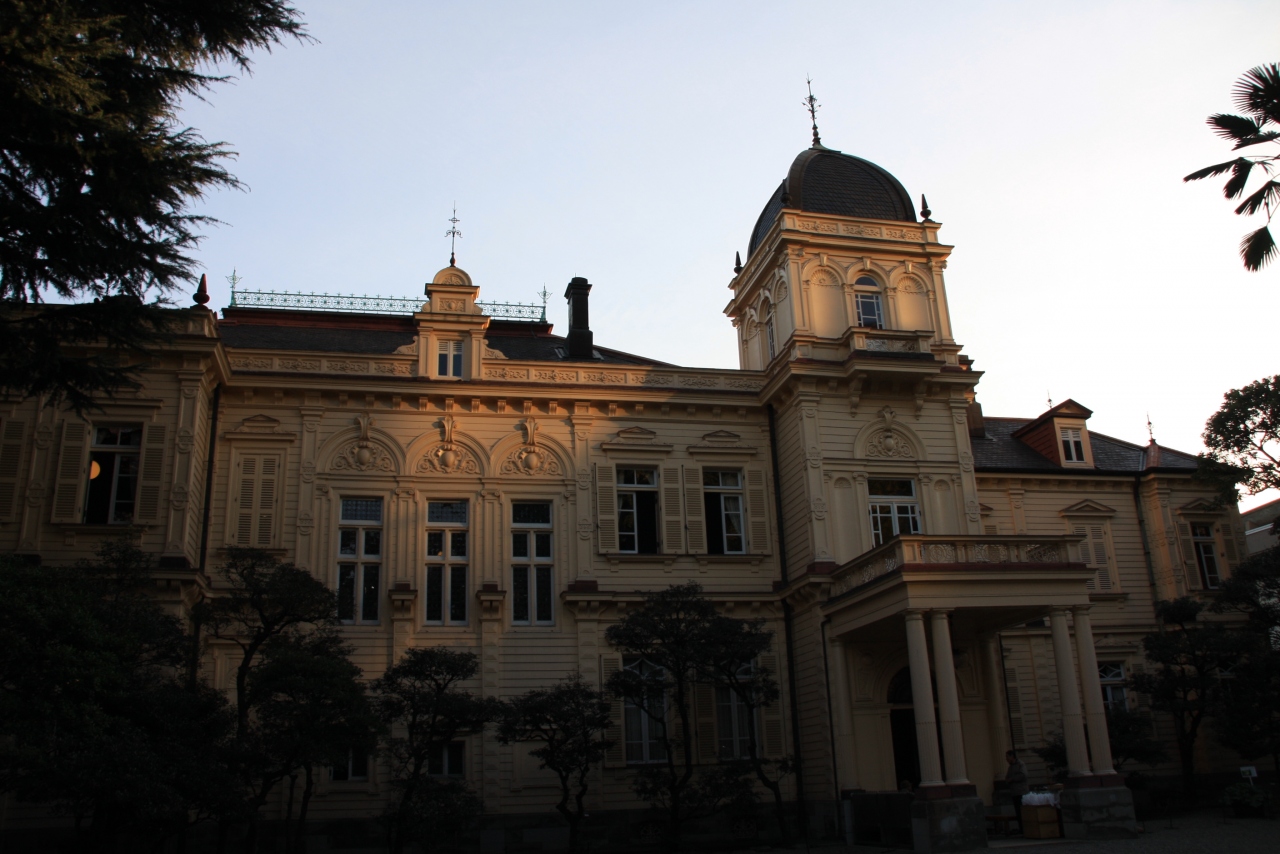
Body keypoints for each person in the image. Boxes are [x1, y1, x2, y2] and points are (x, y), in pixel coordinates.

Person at [1005, 750, 1029, 834]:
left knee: (1022, 812)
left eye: (1007, 757)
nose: (1006, 759)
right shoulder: (1010, 767)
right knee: (1018, 812)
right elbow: (1007, 776)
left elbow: (1023, 775)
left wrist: (1012, 779)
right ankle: (1021, 829)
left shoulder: (1020, 764)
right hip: (1014, 792)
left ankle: (1025, 829)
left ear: (1012, 756)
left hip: (1021, 792)